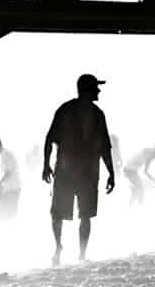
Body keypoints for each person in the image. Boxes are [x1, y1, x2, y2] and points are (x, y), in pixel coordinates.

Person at [42, 74, 115, 266]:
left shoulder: (69, 110)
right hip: (84, 172)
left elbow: (50, 139)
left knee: (71, 213)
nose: (99, 91)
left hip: (72, 172)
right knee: (78, 214)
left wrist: (46, 165)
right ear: (87, 89)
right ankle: (70, 251)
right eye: (96, 88)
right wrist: (111, 173)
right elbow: (105, 147)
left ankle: (69, 251)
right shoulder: (93, 114)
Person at [123, 143, 155, 207]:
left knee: (137, 191)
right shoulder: (150, 154)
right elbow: (146, 171)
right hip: (129, 170)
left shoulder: (153, 153)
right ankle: (138, 207)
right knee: (139, 190)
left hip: (132, 170)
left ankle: (133, 206)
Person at [0, 137, 22, 221]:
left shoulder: (7, 154)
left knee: (5, 216)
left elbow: (8, 172)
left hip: (12, 190)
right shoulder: (3, 155)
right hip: (8, 190)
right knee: (2, 214)